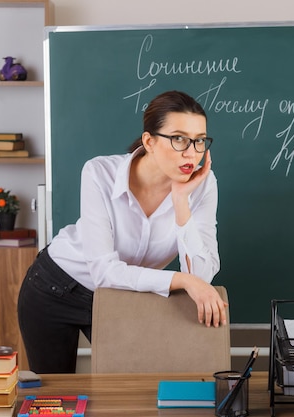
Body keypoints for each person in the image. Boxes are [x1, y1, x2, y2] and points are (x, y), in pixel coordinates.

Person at [17, 90, 227, 373]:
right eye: (179, 139)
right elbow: (104, 271)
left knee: (132, 387)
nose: (192, 152)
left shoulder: (202, 184)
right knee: (56, 396)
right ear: (149, 141)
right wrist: (181, 280)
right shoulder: (99, 173)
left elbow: (201, 276)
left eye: (199, 140)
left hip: (125, 295)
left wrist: (180, 203)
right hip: (55, 287)